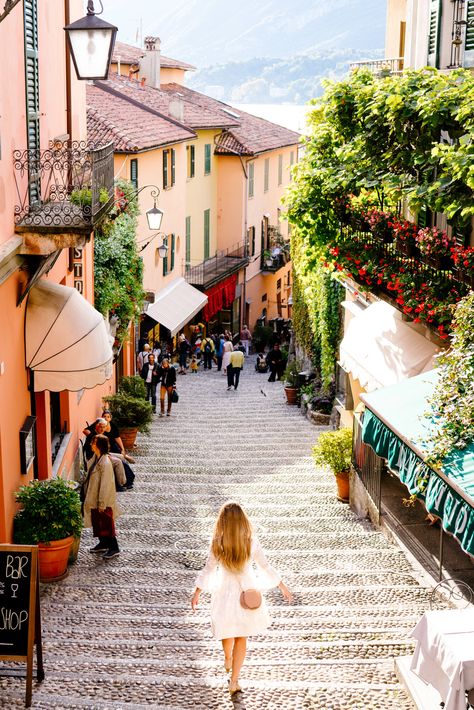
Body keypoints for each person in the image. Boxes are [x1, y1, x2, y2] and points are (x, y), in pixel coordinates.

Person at [191, 502, 293, 695]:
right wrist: (281, 585)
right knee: (241, 637)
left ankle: (227, 657)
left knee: (227, 631)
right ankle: (234, 681)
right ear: (242, 520)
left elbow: (208, 569)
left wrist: (197, 591)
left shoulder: (217, 542)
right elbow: (265, 566)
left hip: (223, 594)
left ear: (222, 521)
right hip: (246, 594)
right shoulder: (250, 541)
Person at [82, 434, 122, 559]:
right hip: (93, 495)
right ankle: (103, 543)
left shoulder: (105, 463)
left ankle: (114, 548)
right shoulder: (96, 457)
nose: (90, 444)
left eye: (93, 443)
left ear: (99, 445)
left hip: (102, 499)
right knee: (97, 522)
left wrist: (102, 503)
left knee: (106, 523)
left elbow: (105, 484)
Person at [83, 418, 134, 490]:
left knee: (121, 457)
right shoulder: (95, 436)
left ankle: (128, 478)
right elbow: (94, 452)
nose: (102, 429)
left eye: (104, 427)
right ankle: (120, 483)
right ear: (96, 426)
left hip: (103, 454)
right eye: (101, 427)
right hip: (96, 457)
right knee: (118, 462)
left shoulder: (101, 434)